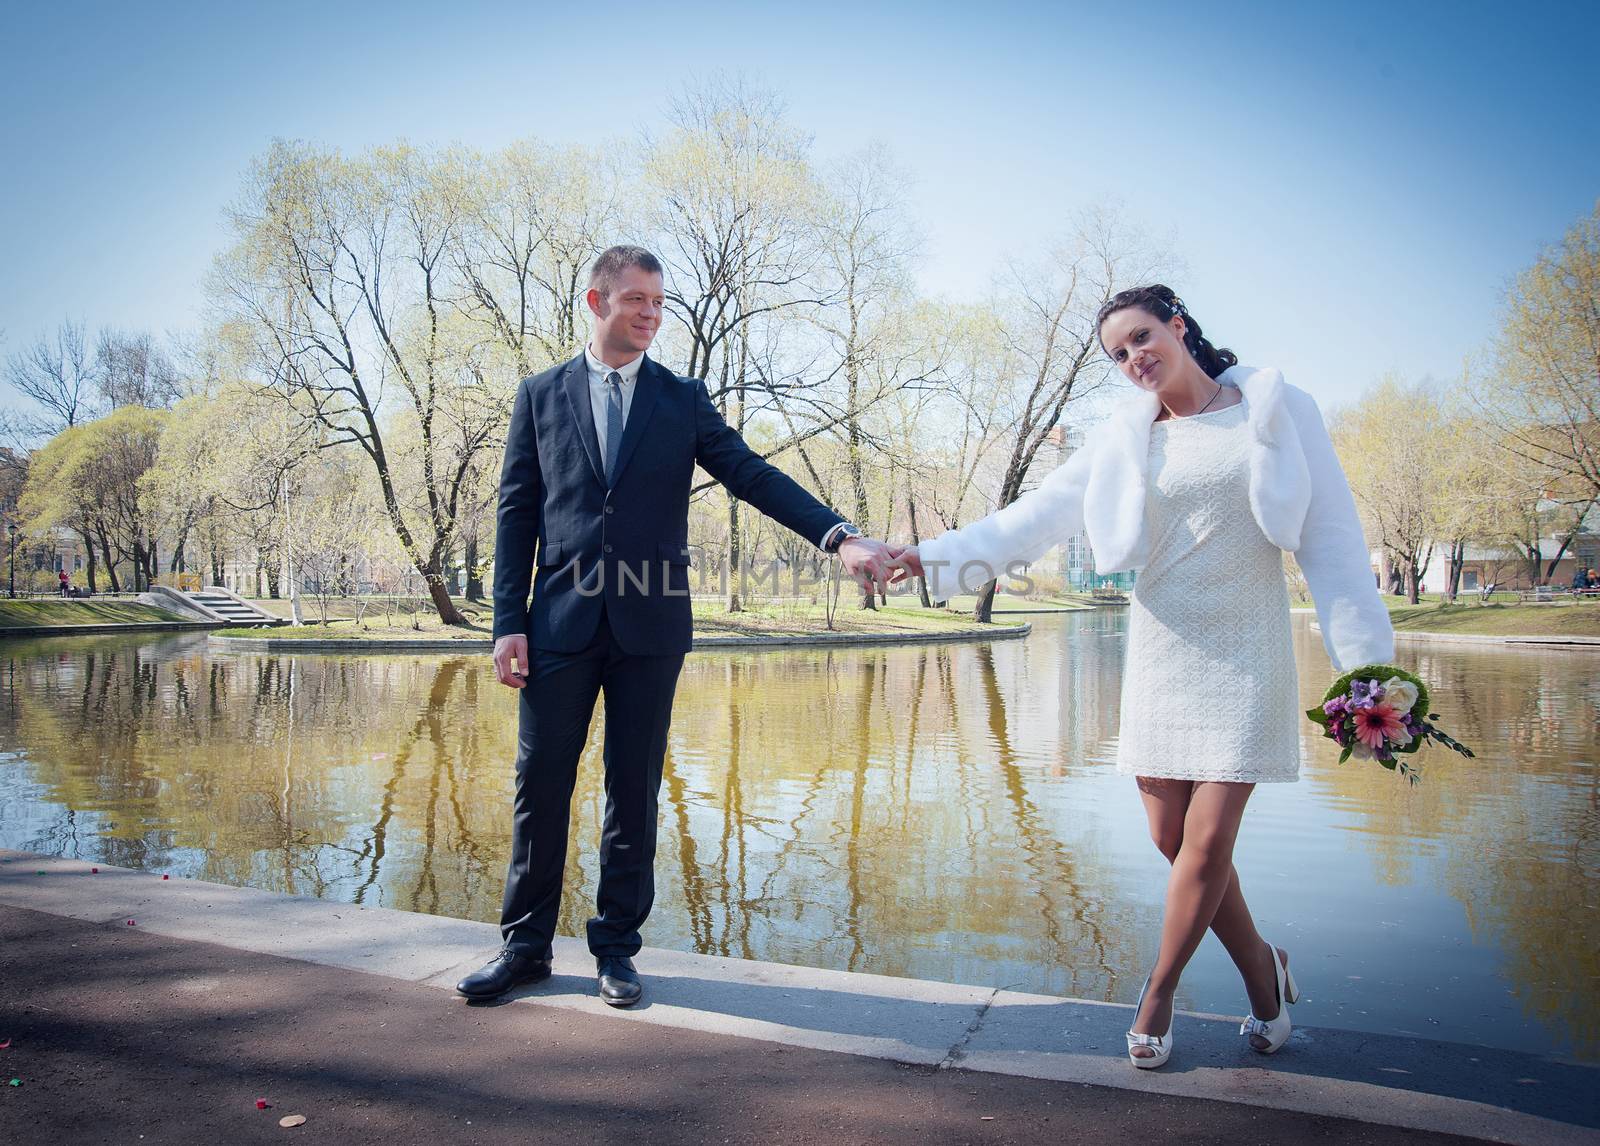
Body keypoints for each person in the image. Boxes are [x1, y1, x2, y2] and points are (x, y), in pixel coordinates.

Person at [889, 285, 1393, 1069]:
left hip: (1247, 654)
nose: (1135, 360)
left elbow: (1331, 541)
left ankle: (1157, 994)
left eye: (1143, 338)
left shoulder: (1274, 408)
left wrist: (1368, 673)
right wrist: (932, 556)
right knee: (1170, 838)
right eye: (1118, 355)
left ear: (1180, 325)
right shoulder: (1126, 436)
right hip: (1162, 651)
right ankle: (1265, 971)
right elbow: (1037, 516)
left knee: (1207, 840)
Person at [456, 245, 895, 1006]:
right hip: (557, 624)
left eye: (659, 302)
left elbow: (753, 475)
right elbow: (516, 512)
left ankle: (616, 952)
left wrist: (840, 537)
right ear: (596, 302)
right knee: (540, 788)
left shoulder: (681, 399)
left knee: (634, 791)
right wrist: (507, 621)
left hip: (650, 625)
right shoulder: (539, 395)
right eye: (636, 300)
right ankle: (524, 949)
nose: (650, 313)